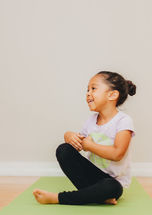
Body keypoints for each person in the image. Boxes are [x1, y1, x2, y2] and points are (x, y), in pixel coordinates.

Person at [33, 71, 136, 205]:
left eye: (93, 88)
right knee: (63, 150)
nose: (88, 93)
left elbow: (117, 154)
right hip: (90, 177)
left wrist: (91, 146)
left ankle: (59, 198)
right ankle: (97, 196)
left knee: (111, 187)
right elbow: (79, 143)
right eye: (87, 90)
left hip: (112, 181)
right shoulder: (91, 121)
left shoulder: (123, 121)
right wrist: (69, 136)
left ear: (112, 94)